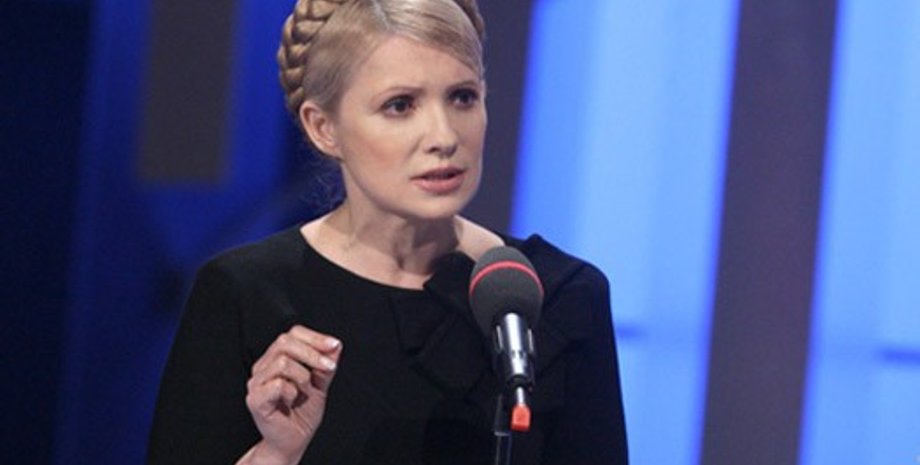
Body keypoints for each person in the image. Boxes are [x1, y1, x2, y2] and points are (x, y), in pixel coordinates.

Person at [147, 0, 628, 464]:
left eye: (463, 97)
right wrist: (277, 454)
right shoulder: (245, 295)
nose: (444, 136)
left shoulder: (560, 296)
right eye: (400, 105)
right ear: (323, 127)